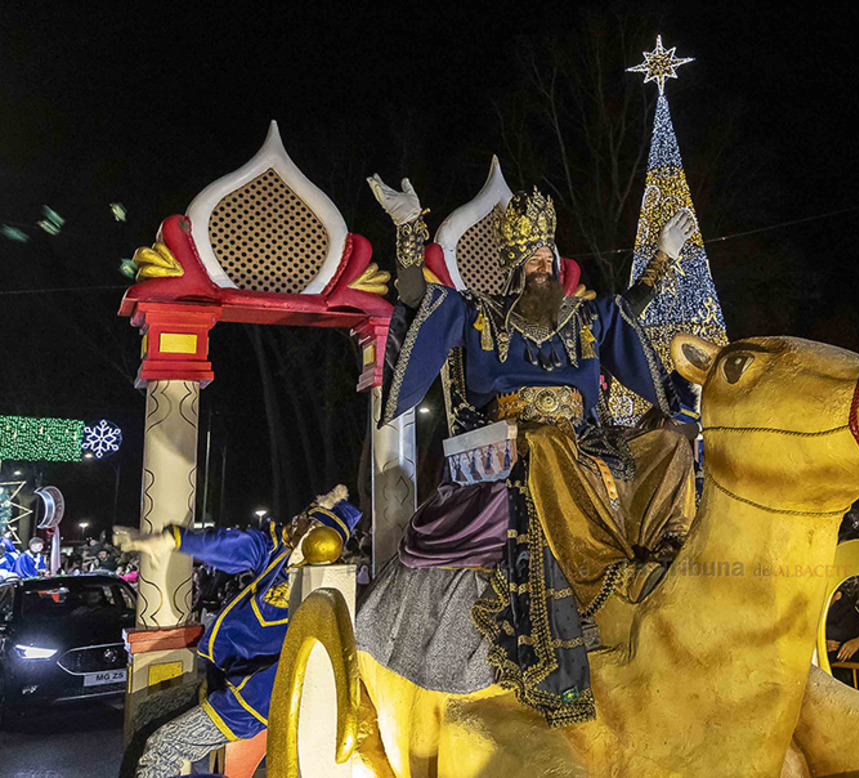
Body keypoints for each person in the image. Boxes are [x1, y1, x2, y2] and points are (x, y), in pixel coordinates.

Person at [364, 176, 700, 725]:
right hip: (509, 444)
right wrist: (407, 228)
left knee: (668, 440)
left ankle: (667, 555)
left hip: (585, 442)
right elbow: (413, 294)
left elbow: (628, 308)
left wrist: (663, 259)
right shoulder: (480, 317)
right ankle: (596, 568)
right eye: (531, 257)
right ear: (516, 266)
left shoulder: (585, 319)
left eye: (548, 254)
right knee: (544, 441)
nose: (542, 263)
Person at [118, 485, 361, 778]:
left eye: (305, 522)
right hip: (226, 680)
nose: (294, 522)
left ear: (317, 538)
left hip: (253, 698)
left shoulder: (324, 589)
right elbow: (236, 544)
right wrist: (171, 540)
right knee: (147, 715)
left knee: (164, 747)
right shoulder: (277, 557)